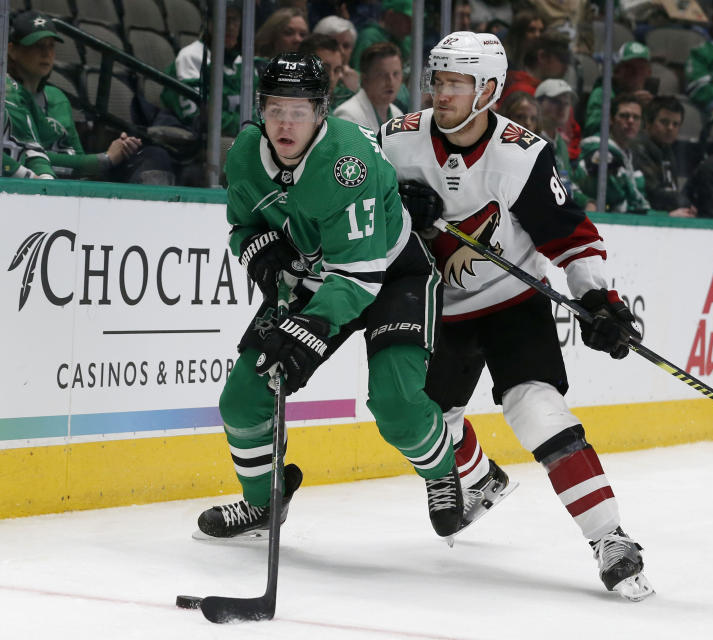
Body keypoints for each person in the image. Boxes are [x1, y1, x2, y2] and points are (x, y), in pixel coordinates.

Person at [378, 31, 654, 601]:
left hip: (512, 301)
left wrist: (599, 299)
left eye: (457, 83)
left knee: (537, 408)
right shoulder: (397, 142)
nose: (443, 93)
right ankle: (480, 480)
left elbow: (570, 235)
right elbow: (360, 207)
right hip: (434, 305)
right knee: (428, 419)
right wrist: (396, 209)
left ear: (490, 90)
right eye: (438, 81)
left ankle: (611, 537)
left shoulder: (521, 153)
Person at [196, 53, 465, 541]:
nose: (285, 123)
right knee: (242, 399)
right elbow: (244, 225)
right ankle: (263, 504)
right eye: (275, 109)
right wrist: (259, 249)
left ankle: (443, 471)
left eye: (299, 111)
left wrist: (306, 332)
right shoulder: (244, 155)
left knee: (397, 404)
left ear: (322, 112)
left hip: (390, 274)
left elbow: (360, 278)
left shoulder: (347, 165)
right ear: (260, 110)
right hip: (314, 281)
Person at [6, 11, 174, 183]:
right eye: (37, 45)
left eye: (51, 46)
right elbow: (23, 155)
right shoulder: (7, 96)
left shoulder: (57, 97)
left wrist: (118, 150)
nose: (46, 53)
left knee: (154, 155)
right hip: (34, 186)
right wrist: (104, 159)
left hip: (75, 181)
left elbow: (79, 157)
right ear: (12, 51)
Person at [578, 94, 695, 216]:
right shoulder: (601, 152)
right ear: (611, 119)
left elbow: (638, 203)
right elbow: (620, 206)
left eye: (636, 117)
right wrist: (667, 217)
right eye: (624, 116)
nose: (630, 121)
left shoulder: (629, 155)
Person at [161, 0, 256, 138]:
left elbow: (262, 110)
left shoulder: (243, 63)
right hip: (207, 146)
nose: (230, 27)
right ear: (209, 23)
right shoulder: (190, 58)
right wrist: (250, 126)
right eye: (224, 18)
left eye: (234, 19)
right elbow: (199, 117)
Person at [534, 78, 588, 208]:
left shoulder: (561, 144)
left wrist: (587, 202)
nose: (562, 107)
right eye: (555, 101)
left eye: (566, 103)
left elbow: (566, 182)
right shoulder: (531, 140)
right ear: (537, 104)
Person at [633, 95, 691, 211]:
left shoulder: (666, 149)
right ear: (648, 123)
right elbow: (652, 194)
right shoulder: (638, 149)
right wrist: (683, 202)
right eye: (664, 122)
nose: (670, 128)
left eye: (676, 124)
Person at [583, 41, 653, 136]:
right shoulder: (602, 94)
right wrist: (627, 104)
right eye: (629, 67)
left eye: (641, 67)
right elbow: (593, 128)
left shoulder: (648, 102)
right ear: (617, 70)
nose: (635, 72)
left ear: (648, 72)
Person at [333, 42, 404, 131]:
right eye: (382, 75)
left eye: (396, 74)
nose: (391, 81)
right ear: (365, 79)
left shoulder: (398, 114)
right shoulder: (347, 116)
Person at [312, 15, 360, 106]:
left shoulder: (361, 79)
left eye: (346, 46)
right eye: (334, 44)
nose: (341, 51)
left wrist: (355, 91)